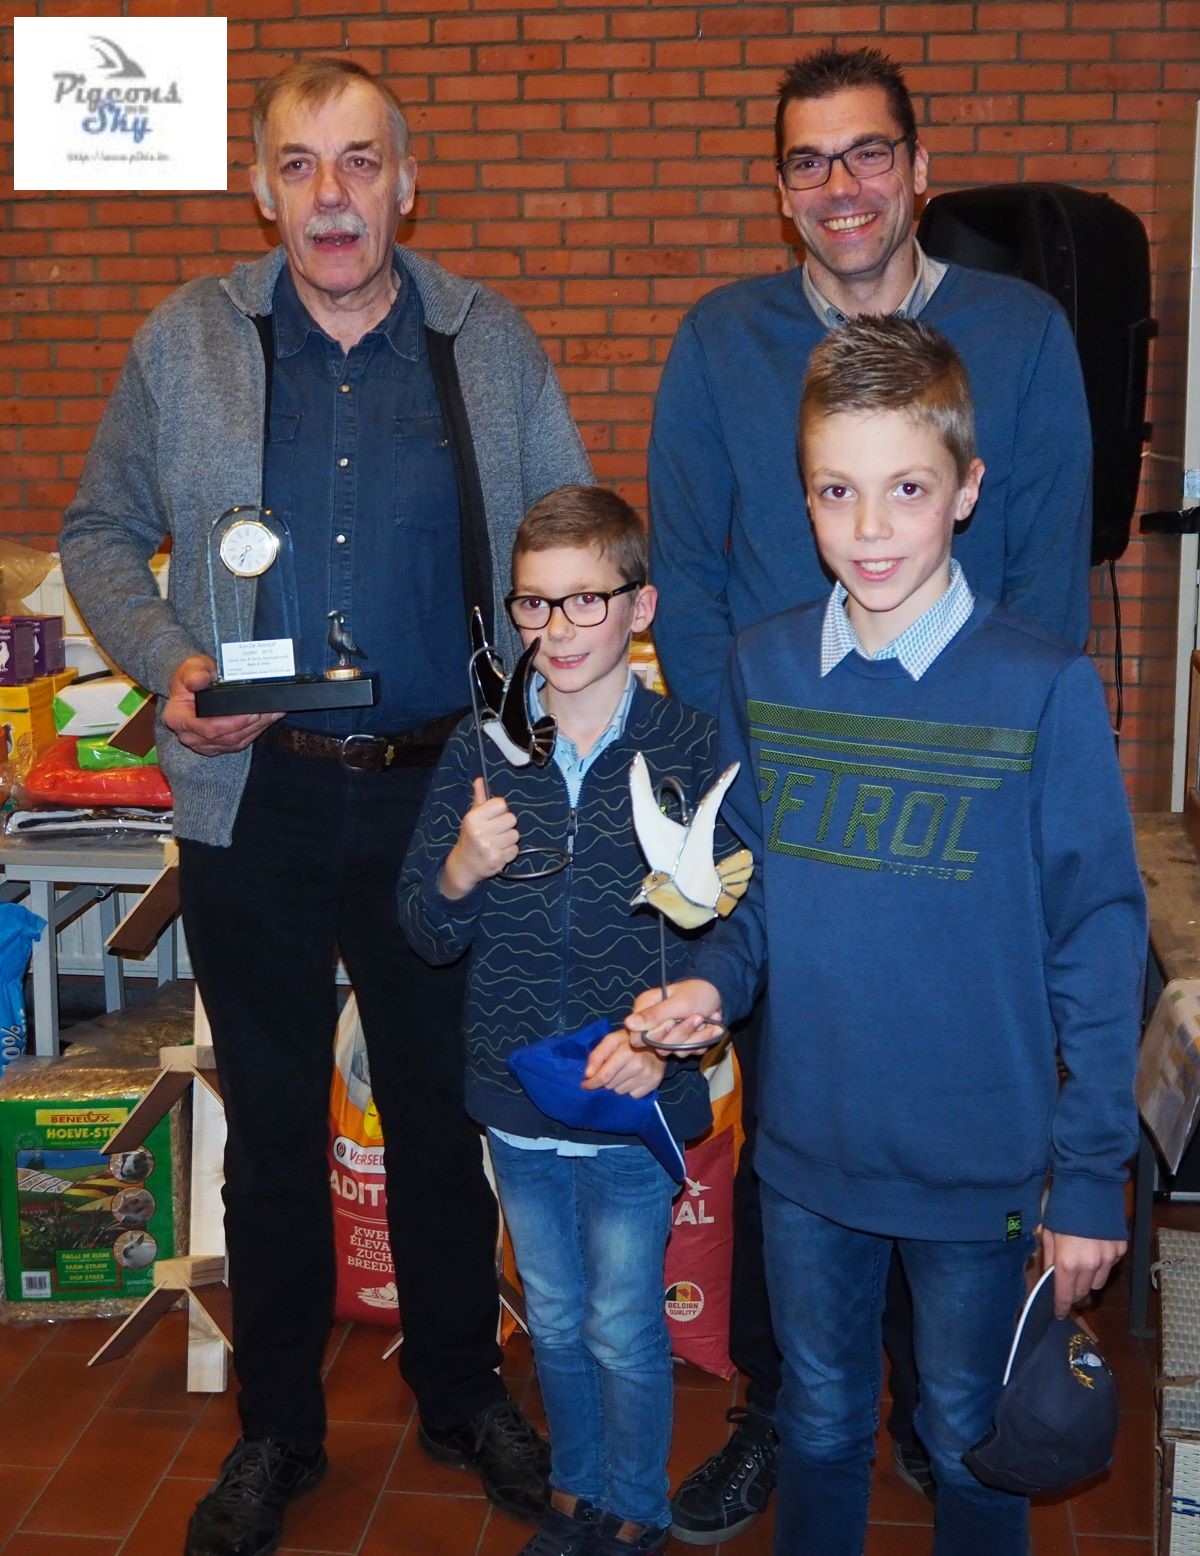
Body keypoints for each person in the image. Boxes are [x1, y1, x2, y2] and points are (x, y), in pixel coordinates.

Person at [59, 58, 592, 1556]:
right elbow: (98, 529)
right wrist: (169, 661)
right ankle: (279, 1429)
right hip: (258, 799)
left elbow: (563, 535)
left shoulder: (485, 341)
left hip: (441, 799)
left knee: (438, 1111)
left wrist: (553, 711)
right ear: (260, 189)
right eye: (299, 164)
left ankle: (460, 1393)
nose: (333, 196)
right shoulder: (188, 340)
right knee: (278, 1128)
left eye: (362, 162)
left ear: (408, 184)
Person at [648, 45, 1096, 1542]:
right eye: (807, 160)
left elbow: (1049, 578)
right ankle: (787, 1419)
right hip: (793, 811)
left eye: (866, 153)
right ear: (780, 190)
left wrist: (983, 745)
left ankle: (934, 1423)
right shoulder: (723, 343)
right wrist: (748, 780)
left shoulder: (1021, 338)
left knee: (964, 1380)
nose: (839, 184)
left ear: (916, 166)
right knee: (805, 1202)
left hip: (959, 813)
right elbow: (688, 572)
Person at [399, 485, 723, 1556]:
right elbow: (423, 929)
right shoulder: (481, 749)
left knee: (623, 1324)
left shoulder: (689, 744)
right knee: (554, 1317)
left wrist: (668, 1042)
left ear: (641, 606)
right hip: (517, 1098)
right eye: (534, 604)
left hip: (634, 1098)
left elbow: (730, 928)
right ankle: (576, 1494)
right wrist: (460, 868)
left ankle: (636, 1506)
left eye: (587, 600)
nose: (558, 629)